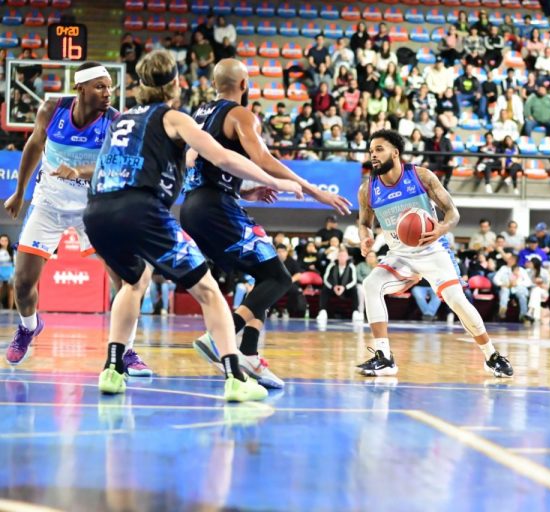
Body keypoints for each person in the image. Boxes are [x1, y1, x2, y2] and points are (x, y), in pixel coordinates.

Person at [83, 50, 303, 401]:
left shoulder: (122, 119)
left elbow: (185, 160)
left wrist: (244, 188)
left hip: (96, 212)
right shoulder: (172, 117)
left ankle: (111, 370)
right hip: (140, 210)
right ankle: (236, 378)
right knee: (209, 291)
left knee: (134, 283)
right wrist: (276, 182)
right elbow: (222, 156)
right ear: (176, 83)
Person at [182, 59, 352, 389]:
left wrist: (246, 191)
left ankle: (248, 353)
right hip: (215, 207)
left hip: (195, 207)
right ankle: (221, 338)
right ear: (245, 84)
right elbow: (263, 159)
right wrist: (313, 190)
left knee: (265, 273)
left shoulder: (200, 113)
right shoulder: (241, 115)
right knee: (279, 278)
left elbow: (205, 165)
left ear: (215, 84)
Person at [1, 62, 152, 374]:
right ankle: (29, 327)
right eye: (100, 86)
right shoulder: (52, 109)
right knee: (23, 282)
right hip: (48, 202)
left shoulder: (115, 121)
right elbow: (34, 146)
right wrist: (19, 192)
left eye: (110, 86)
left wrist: (80, 171)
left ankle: (126, 351)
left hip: (93, 207)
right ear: (80, 88)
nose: (108, 93)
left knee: (125, 280)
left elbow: (117, 164)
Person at [356, 130, 513, 377]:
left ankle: (491, 355)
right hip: (399, 254)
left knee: (457, 300)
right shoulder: (368, 189)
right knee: (371, 284)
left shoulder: (421, 176)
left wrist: (441, 228)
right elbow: (364, 223)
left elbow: (453, 213)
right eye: (371, 151)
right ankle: (384, 357)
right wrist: (364, 237)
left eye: (379, 149)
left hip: (432, 250)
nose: (373, 155)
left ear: (395, 153)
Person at [317, 246, 360, 321]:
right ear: (337, 257)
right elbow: (326, 279)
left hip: (346, 289)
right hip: (333, 288)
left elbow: (354, 281)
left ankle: (355, 311)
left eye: (344, 256)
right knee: (325, 289)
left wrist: (344, 287)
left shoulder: (351, 266)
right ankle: (322, 311)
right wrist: (333, 287)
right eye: (340, 255)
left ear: (347, 257)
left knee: (354, 289)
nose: (342, 257)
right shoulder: (332, 265)